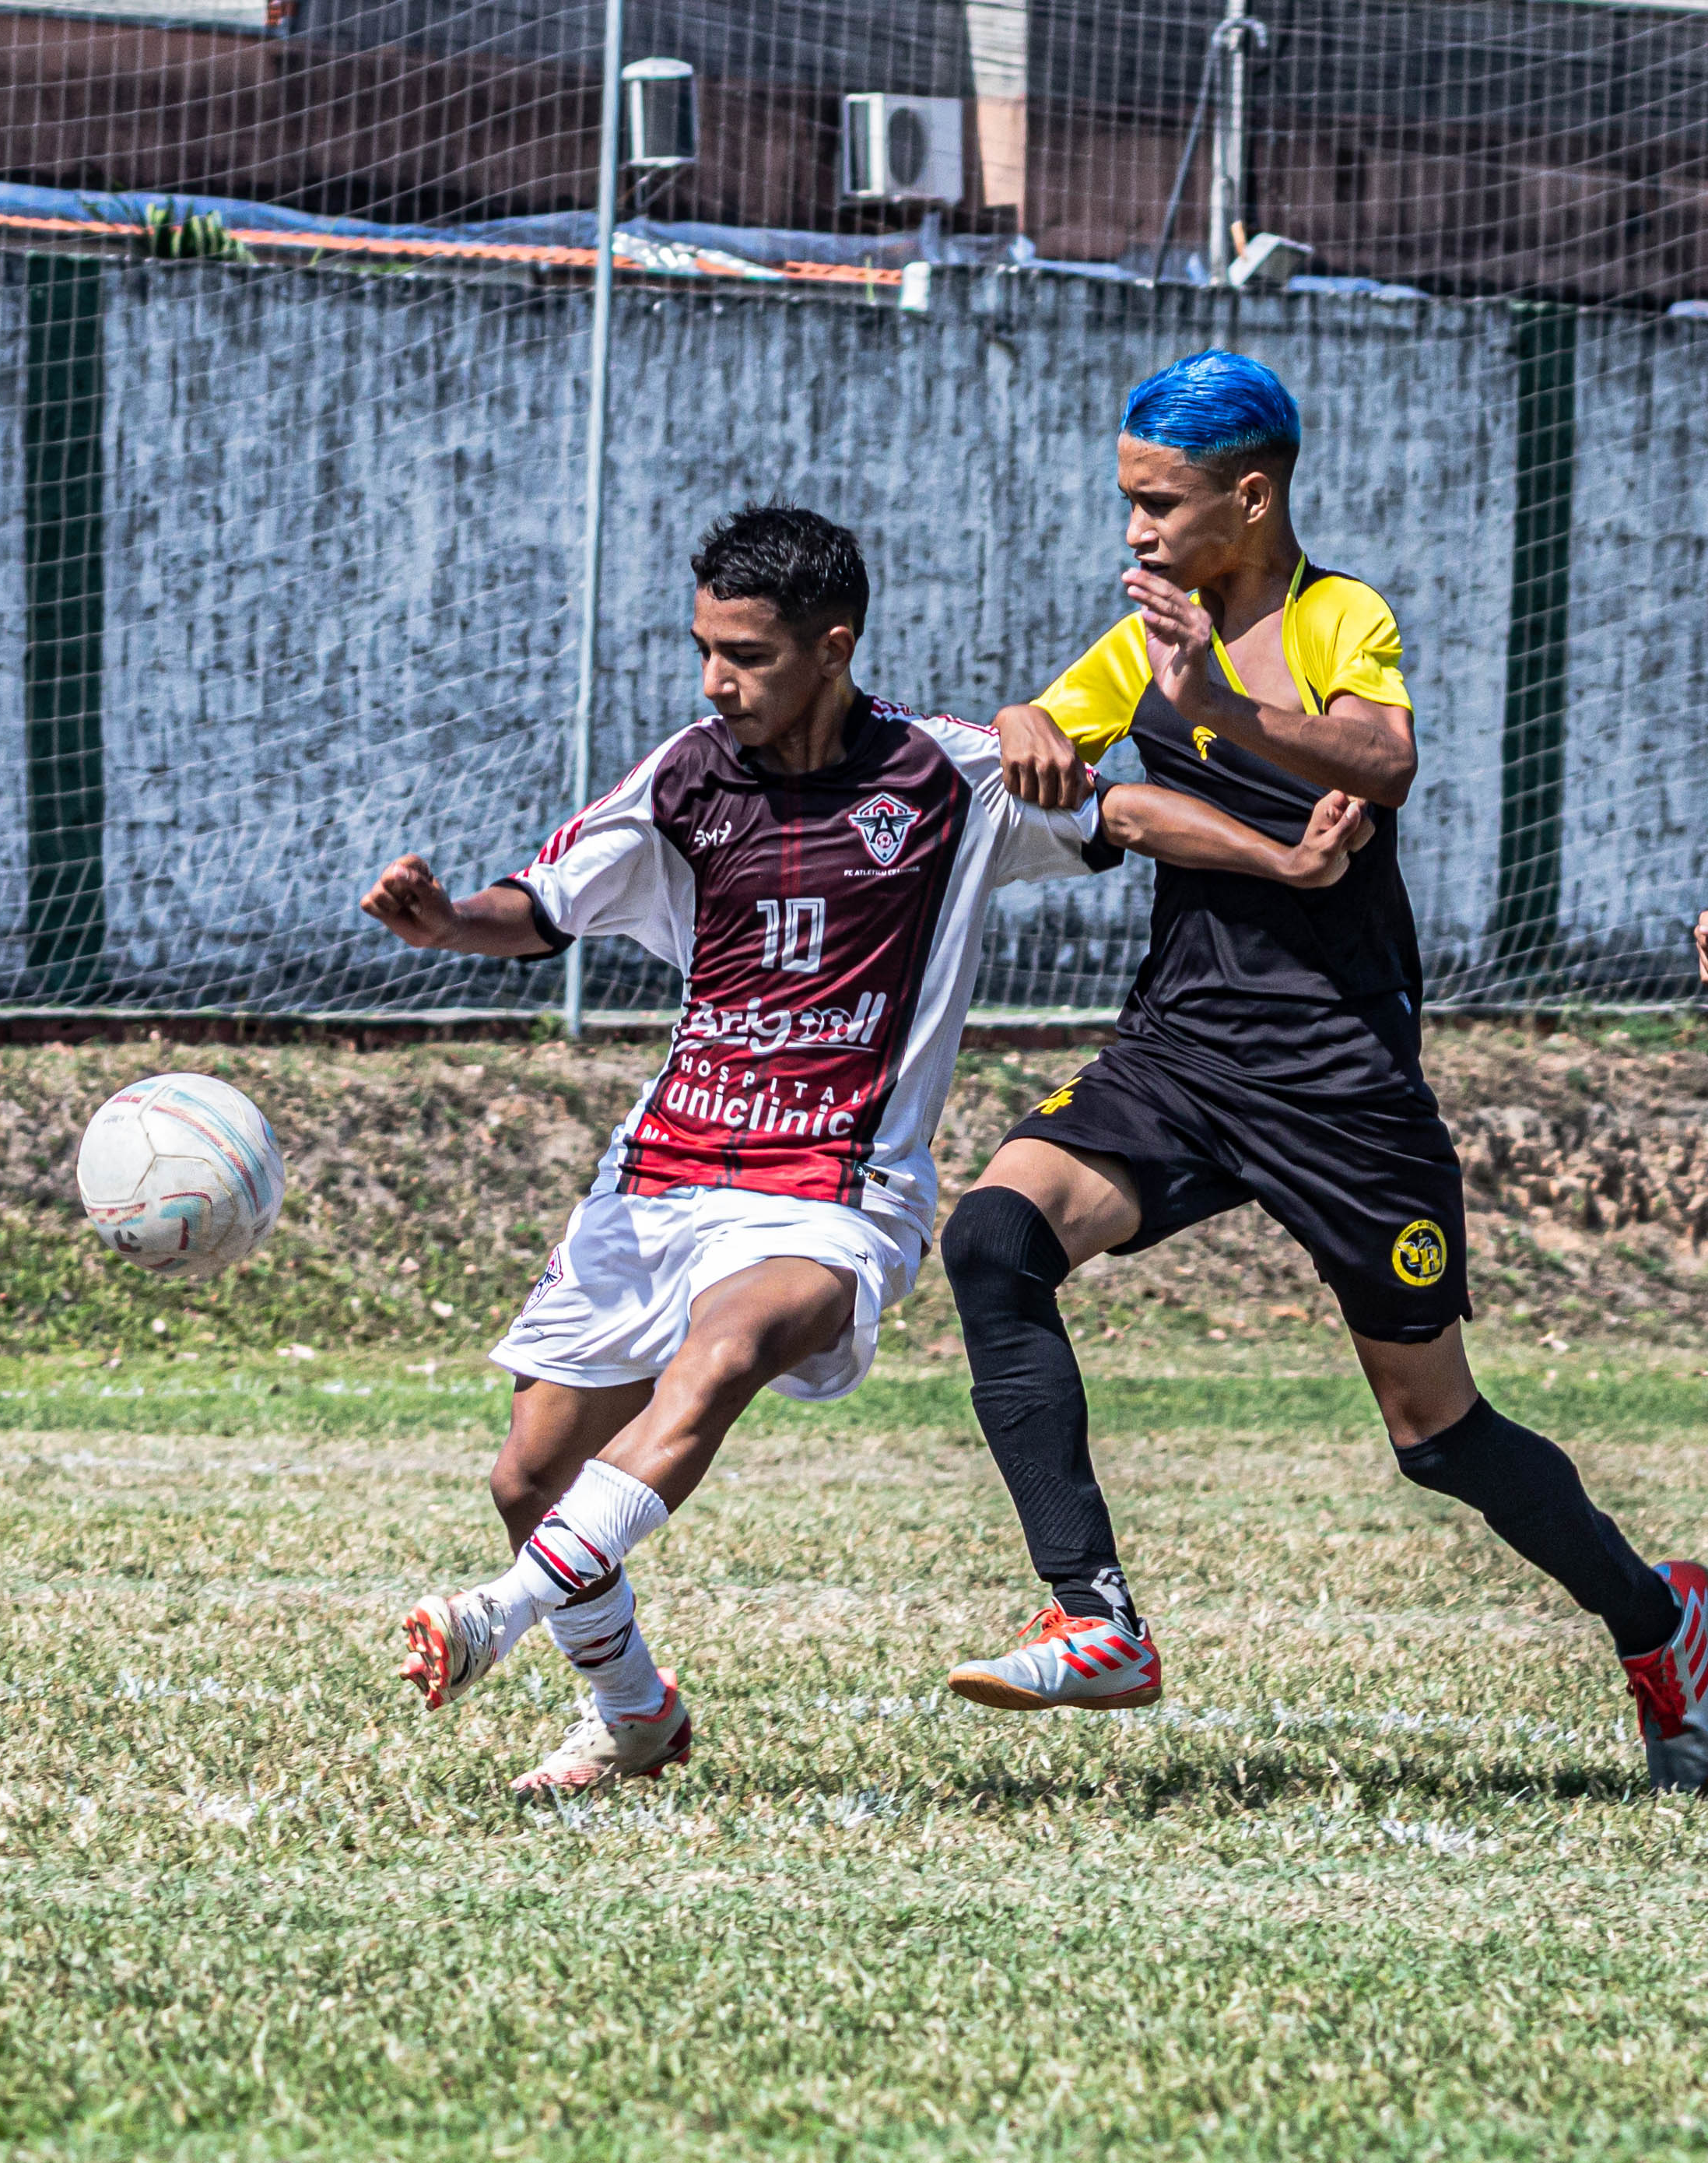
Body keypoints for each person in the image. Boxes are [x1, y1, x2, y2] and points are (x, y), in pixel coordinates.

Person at [359, 502, 1372, 1795]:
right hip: (664, 1168)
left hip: (835, 1188)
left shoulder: (944, 776)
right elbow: (544, 908)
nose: (718, 681)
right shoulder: (687, 773)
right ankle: (635, 1713)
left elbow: (1131, 815)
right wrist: (448, 923)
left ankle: (496, 1615)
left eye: (750, 655)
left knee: (725, 1353)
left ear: (832, 647)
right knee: (530, 1475)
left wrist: (1285, 862)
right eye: (704, 649)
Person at [941, 352, 1708, 1793]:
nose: (1137, 534)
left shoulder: (1335, 614)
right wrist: (1029, 732)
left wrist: (1210, 698)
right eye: (1126, 503)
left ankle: (1665, 1619)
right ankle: (1096, 1616)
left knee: (1440, 1436)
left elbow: (1385, 758)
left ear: (1254, 492)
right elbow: (1048, 734)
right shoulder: (1147, 630)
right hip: (1179, 1050)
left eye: (1160, 505)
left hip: (1339, 1078)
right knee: (992, 1236)